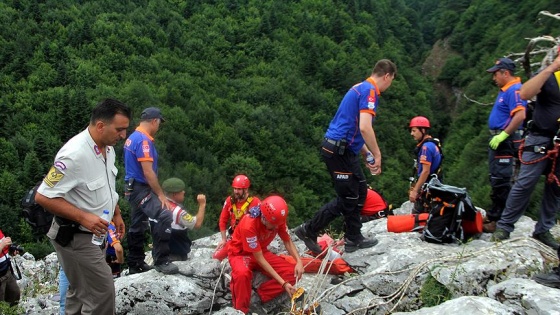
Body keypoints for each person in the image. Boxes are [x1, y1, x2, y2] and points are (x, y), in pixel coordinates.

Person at [35, 99, 131, 314]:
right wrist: (83, 217)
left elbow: (106, 185)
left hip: (94, 234)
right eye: (120, 129)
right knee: (102, 292)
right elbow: (43, 196)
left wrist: (116, 212)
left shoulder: (108, 148)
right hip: (76, 236)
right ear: (100, 126)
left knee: (80, 293)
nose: (123, 135)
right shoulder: (73, 155)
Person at [295, 59, 397, 253]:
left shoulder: (359, 87)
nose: (389, 85)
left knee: (359, 190)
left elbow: (351, 125)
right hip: (338, 151)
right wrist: (377, 154)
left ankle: (353, 237)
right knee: (348, 196)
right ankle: (309, 229)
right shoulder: (370, 92)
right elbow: (365, 127)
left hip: (343, 149)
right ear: (387, 76)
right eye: (391, 80)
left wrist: (366, 153)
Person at [491, 53, 560, 250]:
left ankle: (543, 229)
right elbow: (525, 94)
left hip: (557, 141)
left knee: (555, 188)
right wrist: (551, 68)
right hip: (540, 137)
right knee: (525, 184)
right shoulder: (550, 76)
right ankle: (504, 227)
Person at [124, 107, 187, 275]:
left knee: (138, 224)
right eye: (159, 123)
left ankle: (135, 263)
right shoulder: (143, 141)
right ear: (154, 121)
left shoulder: (132, 137)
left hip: (132, 187)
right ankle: (161, 260)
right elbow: (148, 172)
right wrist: (160, 195)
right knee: (164, 214)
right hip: (141, 188)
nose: (159, 126)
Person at [227, 195, 304, 314]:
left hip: (260, 250)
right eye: (273, 225)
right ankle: (241, 310)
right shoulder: (250, 224)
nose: (275, 228)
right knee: (242, 275)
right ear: (264, 218)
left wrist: (299, 261)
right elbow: (259, 259)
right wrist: (283, 283)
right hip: (240, 254)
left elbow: (287, 240)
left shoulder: (277, 221)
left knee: (293, 273)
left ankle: (260, 295)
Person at [483, 58, 527, 233]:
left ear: (505, 73)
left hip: (505, 141)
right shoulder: (506, 90)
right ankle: (494, 214)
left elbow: (520, 115)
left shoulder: (515, 90)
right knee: (496, 178)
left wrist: (503, 135)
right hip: (499, 140)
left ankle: (498, 219)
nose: (494, 77)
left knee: (501, 180)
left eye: (496, 73)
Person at [213, 175, 261, 261]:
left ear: (246, 189)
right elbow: (222, 220)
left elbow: (262, 223)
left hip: (248, 238)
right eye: (234, 189)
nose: (235, 191)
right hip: (234, 238)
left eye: (239, 189)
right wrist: (224, 239)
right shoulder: (230, 201)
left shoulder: (255, 202)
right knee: (216, 257)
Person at [160, 178, 206, 261]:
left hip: (160, 251)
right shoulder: (178, 212)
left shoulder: (157, 204)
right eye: (181, 191)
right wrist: (202, 205)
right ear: (174, 194)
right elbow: (197, 224)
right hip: (176, 254)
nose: (184, 192)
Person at [408, 116, 443, 213]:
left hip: (428, 189)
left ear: (423, 130)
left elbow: (425, 171)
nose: (412, 134)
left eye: (414, 131)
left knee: (417, 217)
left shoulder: (425, 148)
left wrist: (415, 191)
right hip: (434, 186)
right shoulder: (433, 143)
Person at [0, 229, 21, 306]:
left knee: (15, 294)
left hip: (6, 270)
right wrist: (2, 245)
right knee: (1, 304)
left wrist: (10, 248)